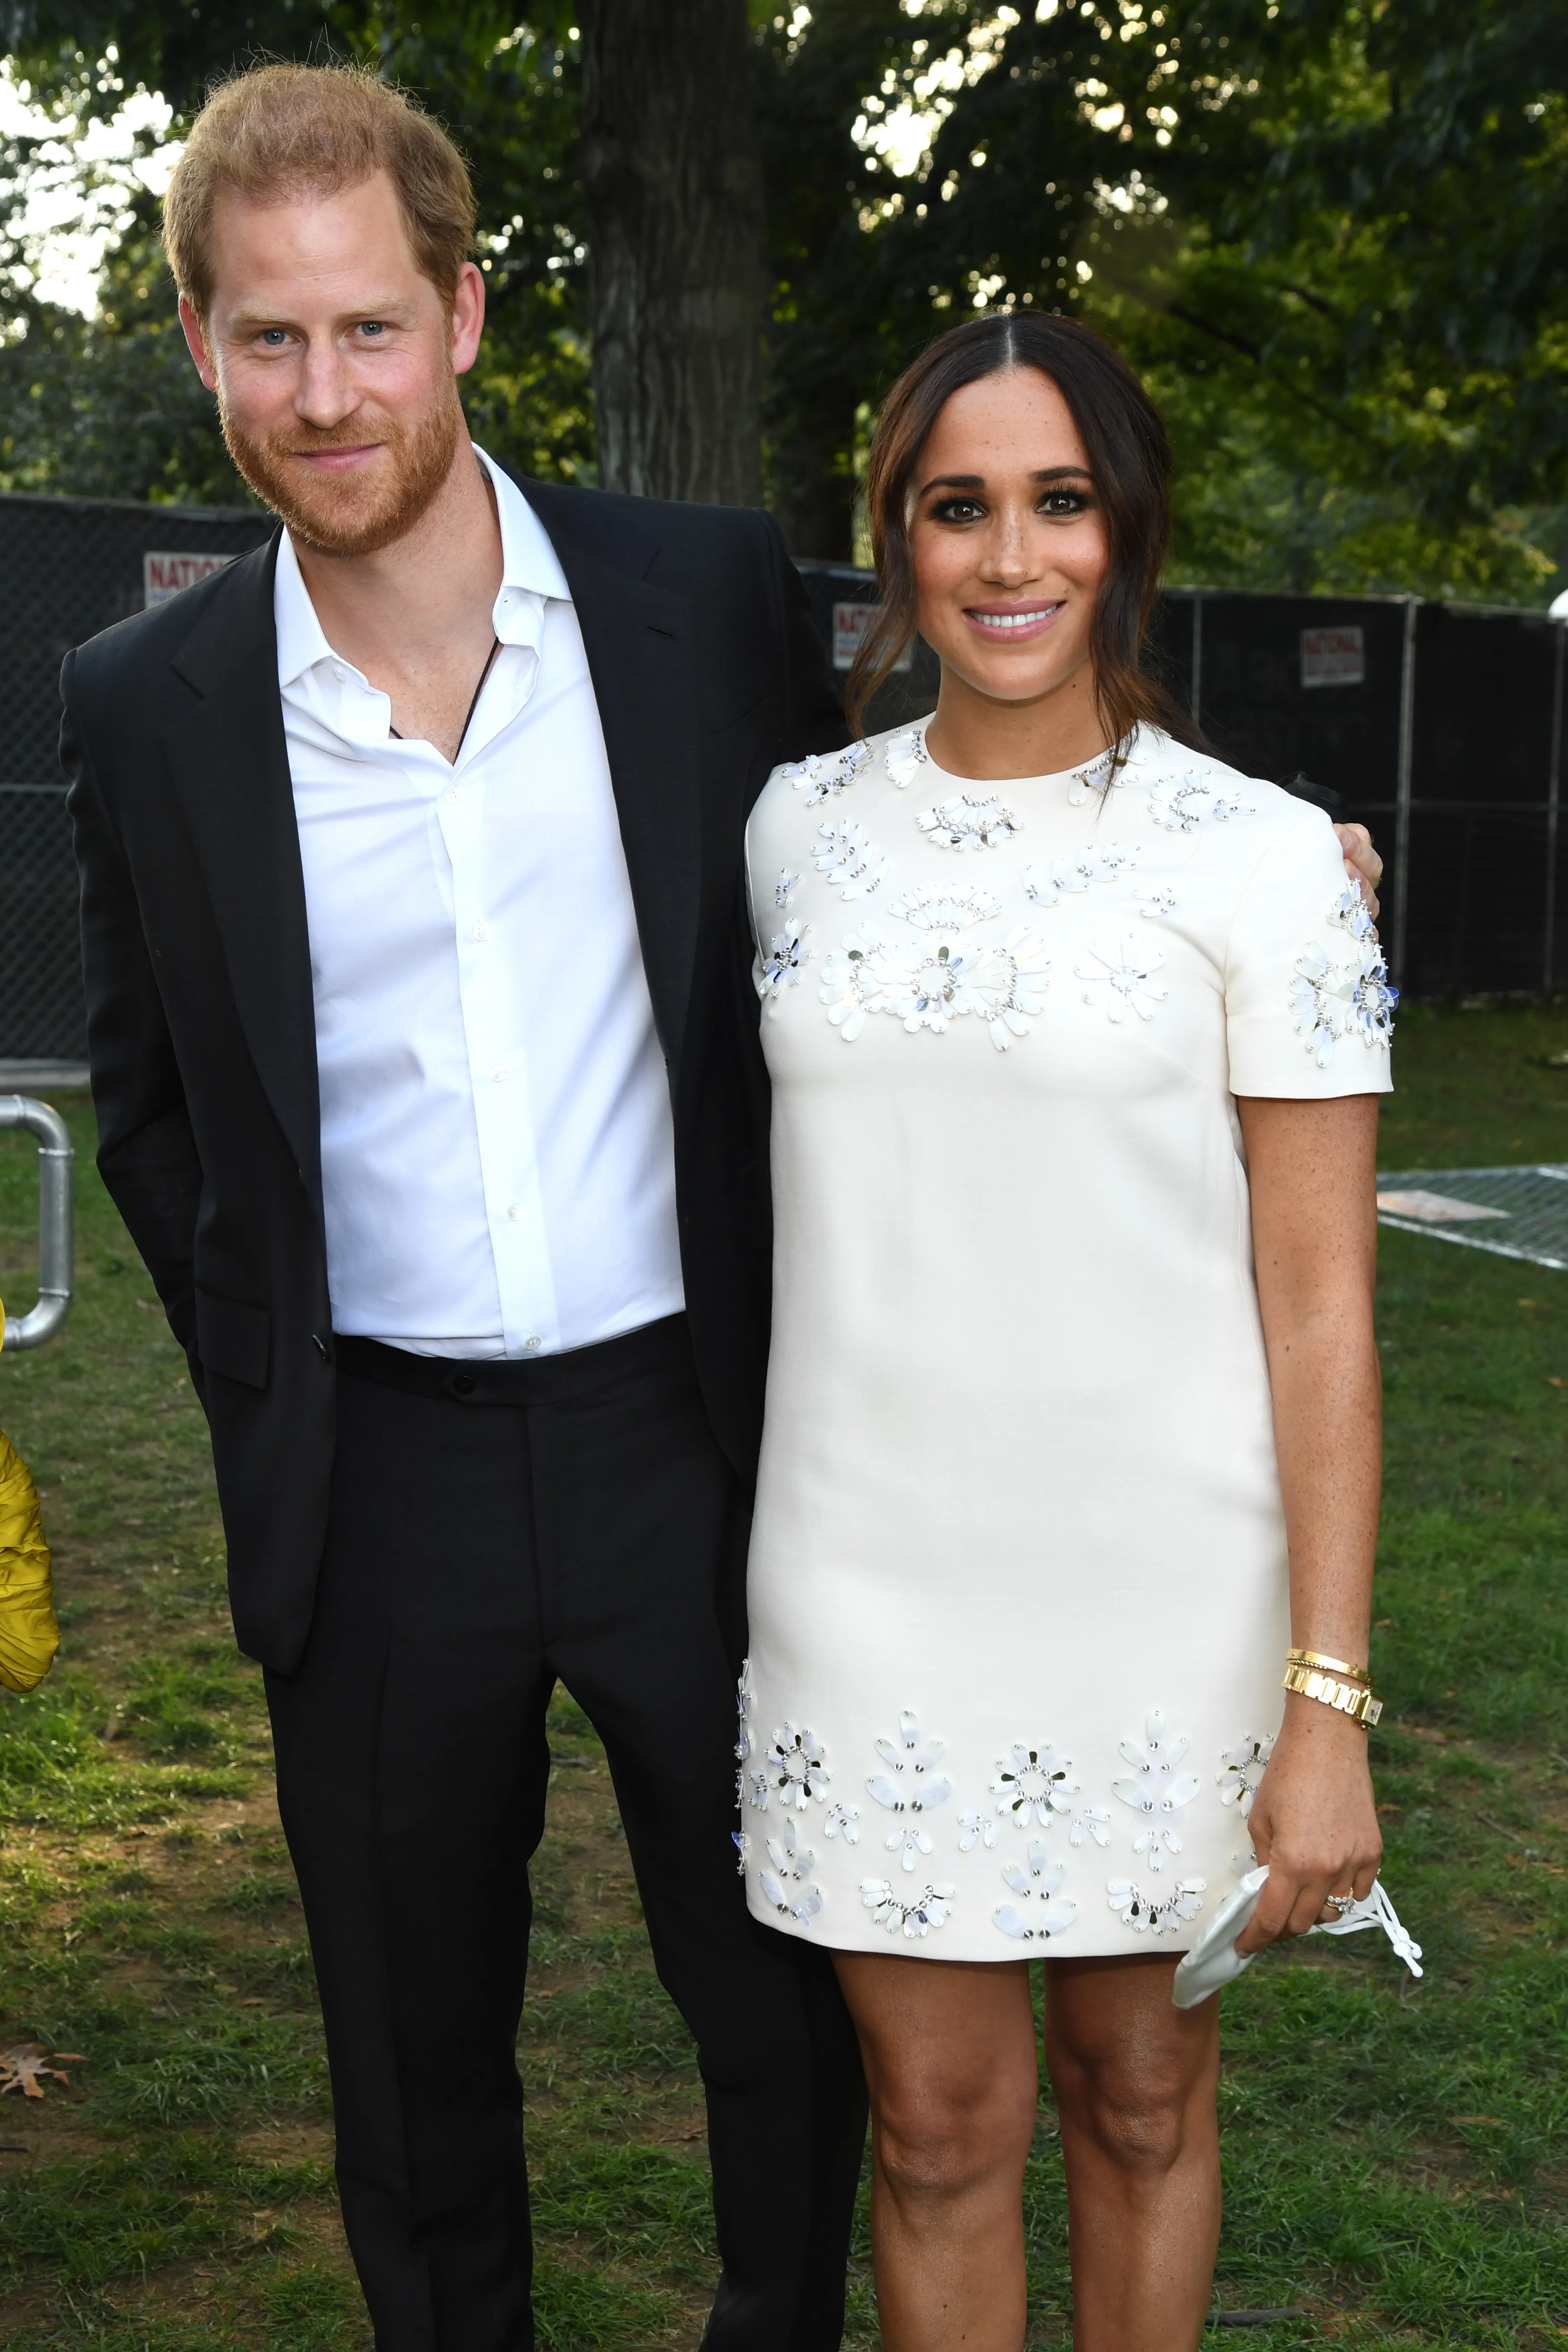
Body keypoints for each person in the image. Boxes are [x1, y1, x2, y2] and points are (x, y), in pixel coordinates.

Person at [59, 62, 867, 2352]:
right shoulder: (145, 702)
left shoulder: (699, 596)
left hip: (697, 1442)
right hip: (377, 1480)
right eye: (268, 336)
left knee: (786, 2018)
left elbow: (887, 886)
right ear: (202, 349)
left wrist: (1215, 848)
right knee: (412, 2080)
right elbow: (152, 1116)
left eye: (369, 327)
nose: (325, 393)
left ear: (466, 314)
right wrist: (274, 1394)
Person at [737, 312, 1392, 2352]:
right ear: (896, 538)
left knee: (1139, 2093)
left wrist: (1329, 1698)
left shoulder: (1268, 861)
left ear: (1126, 529)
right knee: (933, 2127)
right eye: (958, 507)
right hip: (864, 1587)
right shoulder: (788, 831)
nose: (1009, 556)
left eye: (1059, 501)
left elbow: (1322, 1311)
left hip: (1167, 1599)